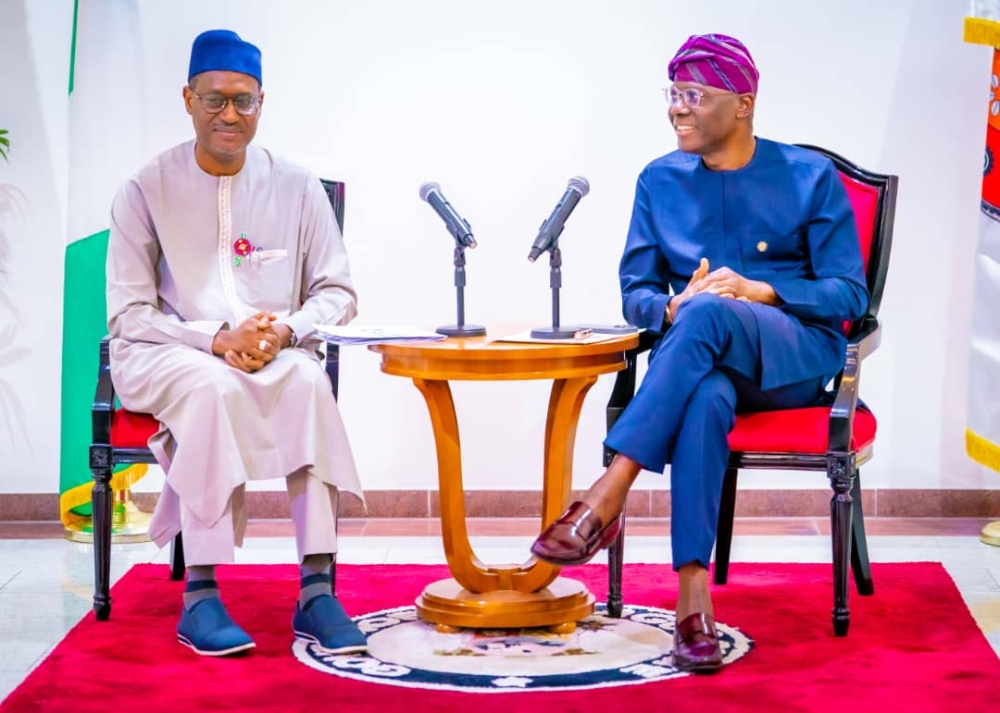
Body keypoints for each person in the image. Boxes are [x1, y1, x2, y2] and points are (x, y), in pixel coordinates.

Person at [531, 33, 868, 673]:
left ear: (742, 104)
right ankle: (693, 605)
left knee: (713, 312)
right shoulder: (658, 181)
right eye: (674, 94)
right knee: (705, 389)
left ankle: (610, 488)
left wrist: (761, 289)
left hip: (790, 361)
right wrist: (666, 309)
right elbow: (635, 292)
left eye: (694, 95)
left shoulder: (807, 177)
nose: (677, 109)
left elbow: (848, 291)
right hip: (699, 364)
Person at [106, 29, 367, 657]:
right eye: (215, 99)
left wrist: (282, 330)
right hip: (168, 352)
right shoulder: (145, 189)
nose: (230, 114)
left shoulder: (297, 186)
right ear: (188, 99)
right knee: (211, 385)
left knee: (308, 379)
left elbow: (338, 292)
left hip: (271, 351)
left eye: (243, 101)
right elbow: (130, 313)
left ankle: (317, 590)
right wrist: (216, 339)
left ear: (260, 103)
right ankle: (200, 594)